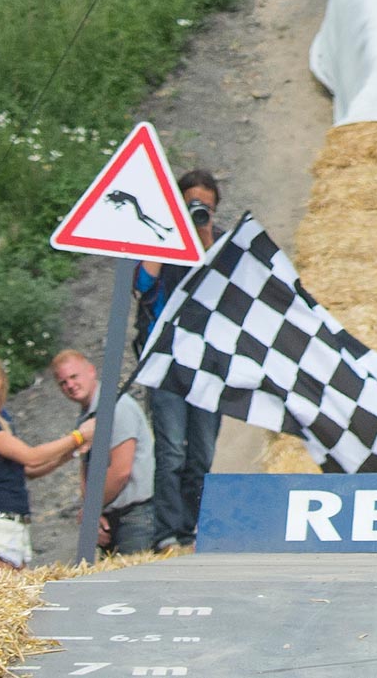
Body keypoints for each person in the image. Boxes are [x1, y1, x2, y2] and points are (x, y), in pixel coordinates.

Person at [132, 169, 222, 550]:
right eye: (191, 205)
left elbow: (223, 283)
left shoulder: (218, 244)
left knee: (201, 454)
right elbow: (141, 285)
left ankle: (192, 528)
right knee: (170, 451)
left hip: (207, 365)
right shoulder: (160, 238)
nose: (197, 211)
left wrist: (204, 233)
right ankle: (166, 533)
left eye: (206, 206)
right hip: (167, 364)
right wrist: (168, 229)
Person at [0, 350, 94, 570]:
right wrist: (78, 436)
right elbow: (31, 457)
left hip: (13, 523)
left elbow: (26, 470)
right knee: (1, 599)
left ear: (2, 382)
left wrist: (70, 453)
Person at [50, 351, 154, 555]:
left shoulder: (117, 407)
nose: (70, 385)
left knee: (132, 585)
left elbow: (121, 470)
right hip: (110, 516)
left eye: (74, 377)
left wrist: (91, 511)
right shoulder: (87, 416)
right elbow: (86, 469)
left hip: (134, 518)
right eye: (63, 382)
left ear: (91, 371)